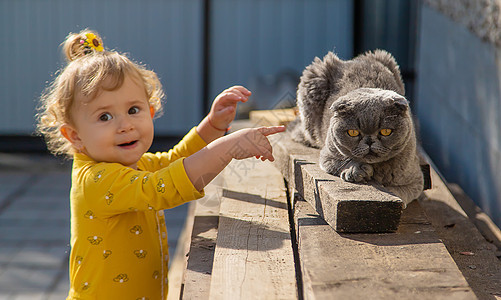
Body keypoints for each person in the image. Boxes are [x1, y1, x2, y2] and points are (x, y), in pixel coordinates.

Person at [36, 29, 284, 299]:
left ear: (150, 110)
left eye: (133, 110)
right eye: (105, 116)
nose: (125, 125)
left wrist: (212, 126)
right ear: (75, 136)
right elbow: (164, 186)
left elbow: (174, 160)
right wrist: (226, 149)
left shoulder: (134, 165)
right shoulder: (96, 180)